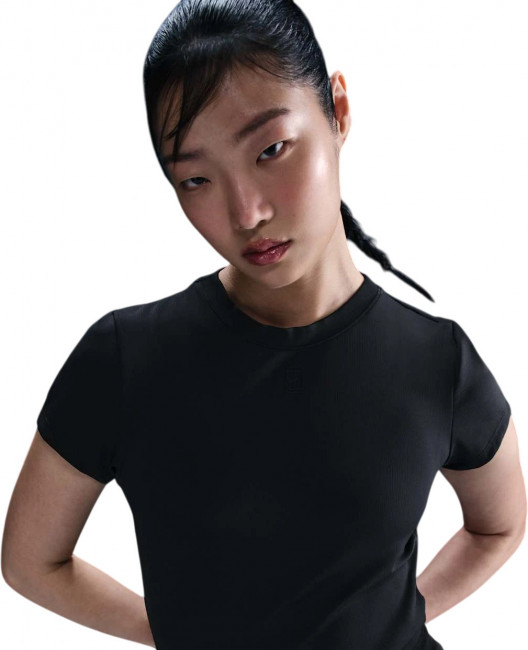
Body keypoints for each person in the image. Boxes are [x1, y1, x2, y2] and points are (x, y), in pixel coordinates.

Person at [2, 1, 525, 649]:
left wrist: (395, 618)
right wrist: (173, 630)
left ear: (338, 110)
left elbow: (500, 525)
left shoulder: (436, 361)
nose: (245, 213)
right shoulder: (125, 360)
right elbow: (31, 560)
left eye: (271, 149)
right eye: (196, 179)